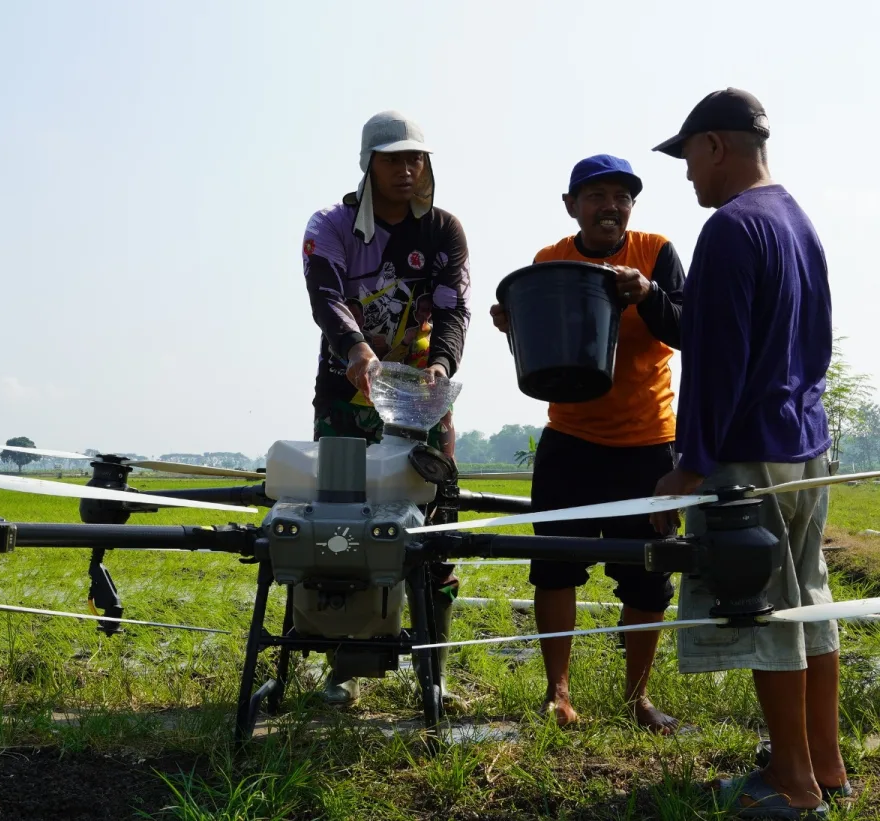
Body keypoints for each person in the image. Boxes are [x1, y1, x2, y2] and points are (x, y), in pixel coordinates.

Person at [650, 88, 845, 818]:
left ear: (714, 147)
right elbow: (816, 342)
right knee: (808, 603)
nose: (688, 175)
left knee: (760, 610)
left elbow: (717, 361)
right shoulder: (798, 221)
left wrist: (689, 465)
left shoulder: (731, 229)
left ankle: (792, 784)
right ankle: (825, 763)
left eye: (688, 159)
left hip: (748, 456)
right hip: (805, 444)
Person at [489, 154, 686, 732]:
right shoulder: (551, 261)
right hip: (571, 438)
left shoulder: (654, 251)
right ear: (572, 205)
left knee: (648, 574)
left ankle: (638, 698)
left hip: (648, 442)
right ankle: (558, 692)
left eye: (622, 197)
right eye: (597, 195)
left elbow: (685, 326)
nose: (611, 206)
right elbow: (544, 349)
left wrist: (647, 293)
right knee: (554, 567)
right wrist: (514, 323)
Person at [301, 110, 471, 704]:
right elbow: (327, 298)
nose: (408, 169)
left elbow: (454, 308)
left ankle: (433, 674)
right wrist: (358, 353)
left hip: (422, 406)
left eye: (416, 158)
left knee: (436, 530)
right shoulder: (332, 226)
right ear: (368, 164)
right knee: (343, 533)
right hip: (347, 400)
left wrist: (442, 365)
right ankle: (342, 673)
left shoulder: (444, 232)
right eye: (394, 158)